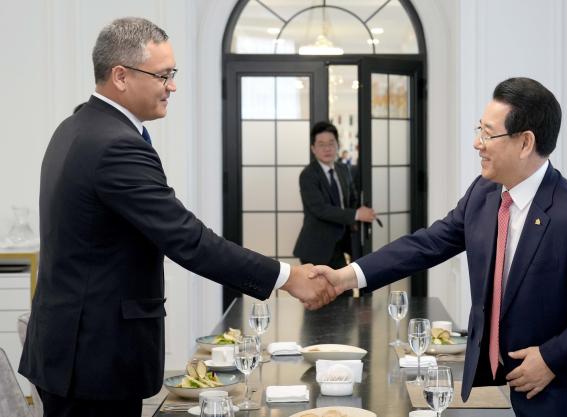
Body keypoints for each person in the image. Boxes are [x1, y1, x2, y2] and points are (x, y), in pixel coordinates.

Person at [19, 17, 335, 417]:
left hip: (71, 349)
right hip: (95, 356)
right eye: (163, 75)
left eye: (173, 74)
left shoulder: (76, 127)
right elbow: (187, 239)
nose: (172, 86)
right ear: (120, 76)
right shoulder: (114, 145)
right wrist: (287, 277)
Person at [312, 78, 567, 417]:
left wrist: (551, 358)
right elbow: (428, 244)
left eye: (488, 134)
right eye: (478, 129)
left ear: (525, 142)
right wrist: (345, 277)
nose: (476, 143)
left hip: (566, 398)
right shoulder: (484, 193)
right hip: (502, 387)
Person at [293, 121, 376, 273]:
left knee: (346, 286)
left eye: (331, 143)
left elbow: (351, 199)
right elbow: (320, 209)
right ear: (313, 148)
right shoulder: (308, 175)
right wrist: (356, 214)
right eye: (321, 144)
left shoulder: (343, 169)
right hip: (317, 248)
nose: (327, 148)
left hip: (342, 244)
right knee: (321, 289)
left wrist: (361, 210)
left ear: (338, 145)